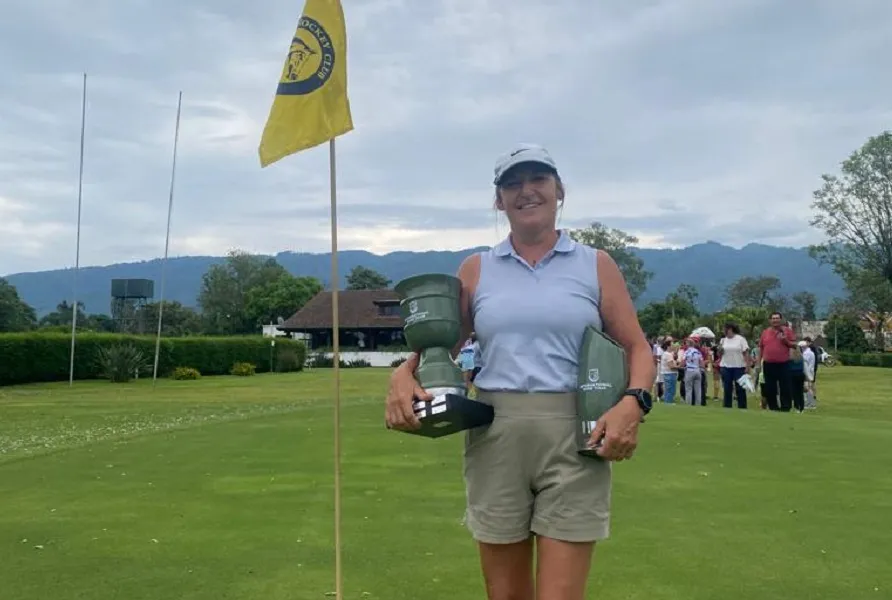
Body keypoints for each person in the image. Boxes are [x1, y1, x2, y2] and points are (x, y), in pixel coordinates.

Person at [385, 143, 655, 600]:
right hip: (496, 434)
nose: (526, 190)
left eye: (538, 179)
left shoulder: (595, 265)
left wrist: (634, 402)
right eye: (512, 183)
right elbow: (439, 347)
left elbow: (637, 348)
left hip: (575, 435)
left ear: (559, 190)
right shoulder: (477, 269)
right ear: (499, 200)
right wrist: (402, 373)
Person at [758, 312, 797, 411]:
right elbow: (761, 348)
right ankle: (773, 407)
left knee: (785, 386)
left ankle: (785, 407)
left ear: (781, 319)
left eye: (777, 318)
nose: (775, 320)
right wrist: (758, 363)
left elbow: (794, 345)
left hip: (783, 363)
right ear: (770, 320)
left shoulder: (787, 331)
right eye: (773, 318)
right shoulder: (765, 332)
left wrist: (785, 341)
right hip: (768, 364)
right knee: (770, 388)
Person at [719, 322, 751, 409]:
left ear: (730, 329)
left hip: (739, 367)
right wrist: (720, 350)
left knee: (740, 388)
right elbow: (720, 354)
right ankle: (727, 407)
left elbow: (746, 352)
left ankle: (742, 407)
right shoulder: (723, 340)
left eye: (724, 329)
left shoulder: (740, 339)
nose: (723, 331)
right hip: (725, 366)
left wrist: (748, 366)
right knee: (727, 388)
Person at [683, 337, 704, 406]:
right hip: (697, 370)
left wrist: (678, 366)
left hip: (689, 370)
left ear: (688, 344)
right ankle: (698, 404)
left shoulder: (686, 352)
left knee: (688, 389)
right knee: (698, 390)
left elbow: (683, 362)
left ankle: (688, 404)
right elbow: (702, 363)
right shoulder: (698, 352)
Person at [800, 340, 817, 409]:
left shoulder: (806, 354)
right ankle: (810, 403)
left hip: (807, 373)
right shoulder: (810, 352)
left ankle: (810, 403)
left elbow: (805, 364)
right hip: (810, 372)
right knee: (808, 388)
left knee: (807, 388)